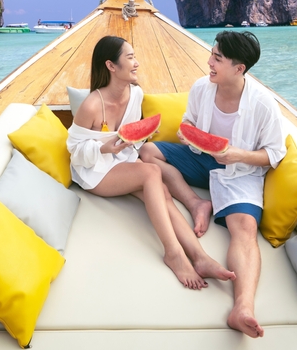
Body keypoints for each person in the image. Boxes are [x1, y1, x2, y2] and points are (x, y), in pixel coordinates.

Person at [139, 30, 285, 338]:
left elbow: (274, 154)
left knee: (245, 228)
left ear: (239, 68)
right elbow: (190, 121)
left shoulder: (264, 105)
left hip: (240, 173)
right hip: (199, 159)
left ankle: (242, 307)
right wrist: (187, 130)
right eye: (211, 54)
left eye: (217, 58)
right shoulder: (202, 87)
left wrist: (236, 154)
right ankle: (196, 203)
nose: (209, 62)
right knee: (148, 151)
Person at [67, 35, 235, 290]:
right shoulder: (92, 105)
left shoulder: (135, 94)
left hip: (120, 161)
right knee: (151, 173)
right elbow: (75, 151)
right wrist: (104, 146)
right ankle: (173, 253)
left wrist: (140, 137)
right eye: (130, 57)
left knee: (163, 195)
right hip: (93, 171)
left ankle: (200, 257)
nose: (137, 63)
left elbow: (129, 140)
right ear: (111, 66)